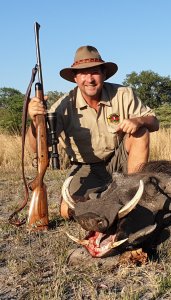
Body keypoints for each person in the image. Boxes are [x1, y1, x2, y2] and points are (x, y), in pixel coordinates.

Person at [27, 45, 159, 219]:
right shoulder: (64, 104)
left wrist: (139, 120)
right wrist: (35, 121)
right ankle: (106, 198)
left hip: (118, 160)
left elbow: (154, 122)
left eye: (95, 72)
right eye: (83, 73)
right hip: (85, 167)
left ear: (104, 74)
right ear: (75, 78)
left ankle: (131, 193)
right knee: (66, 210)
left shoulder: (123, 94)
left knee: (141, 132)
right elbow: (37, 148)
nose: (89, 79)